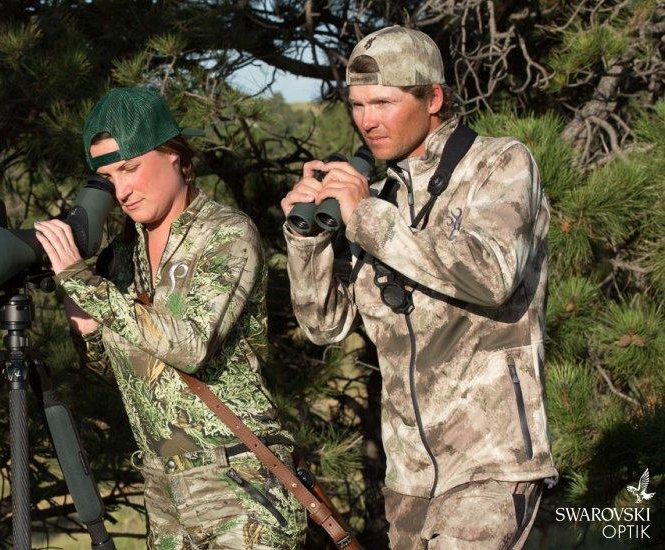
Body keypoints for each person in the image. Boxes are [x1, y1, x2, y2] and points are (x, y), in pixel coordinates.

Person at [280, 26, 558, 549]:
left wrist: (366, 216)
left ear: (433, 97)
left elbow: (491, 275)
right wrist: (306, 240)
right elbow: (323, 325)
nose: (367, 120)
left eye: (383, 101)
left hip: (490, 463)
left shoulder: (498, 163)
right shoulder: (380, 196)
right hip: (407, 480)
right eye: (358, 104)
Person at [34, 86, 306, 549]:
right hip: (164, 491)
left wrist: (85, 284)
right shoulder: (123, 254)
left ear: (175, 155)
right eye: (106, 177)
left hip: (239, 487)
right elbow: (133, 373)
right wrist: (87, 329)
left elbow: (191, 346)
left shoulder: (226, 234)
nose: (120, 190)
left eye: (130, 168)